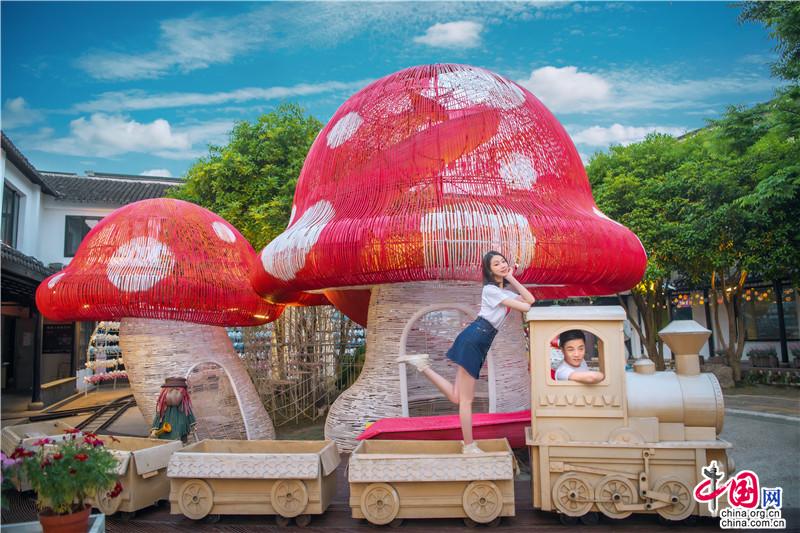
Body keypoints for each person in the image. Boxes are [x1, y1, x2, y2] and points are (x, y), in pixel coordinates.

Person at [398, 251, 535, 454]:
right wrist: (509, 280)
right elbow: (526, 307)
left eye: (503, 261)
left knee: (457, 397)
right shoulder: (490, 290)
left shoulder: (504, 292)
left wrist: (511, 278)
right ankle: (469, 446)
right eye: (496, 264)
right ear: (489, 271)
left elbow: (530, 299)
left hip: (479, 340)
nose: (502, 265)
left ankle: (422, 366)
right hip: (475, 338)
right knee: (465, 401)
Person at [150, 377, 197, 443]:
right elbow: (158, 417)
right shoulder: (163, 408)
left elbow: (189, 414)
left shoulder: (184, 406)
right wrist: (154, 430)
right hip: (166, 432)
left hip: (181, 431)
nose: (174, 393)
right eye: (171, 390)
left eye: (178, 390)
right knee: (167, 443)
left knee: (182, 443)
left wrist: (193, 425)